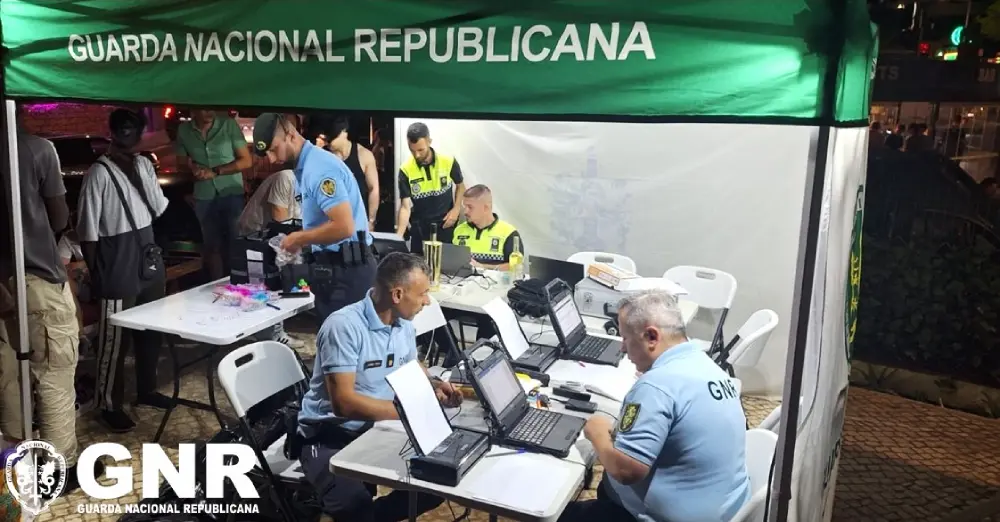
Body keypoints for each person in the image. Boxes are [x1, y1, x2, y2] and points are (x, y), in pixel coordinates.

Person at [559, 290, 751, 522]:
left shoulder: (656, 387)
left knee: (562, 514)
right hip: (725, 508)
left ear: (651, 336)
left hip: (666, 517)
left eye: (626, 338)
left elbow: (627, 471)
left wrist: (596, 432)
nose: (622, 347)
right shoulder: (707, 366)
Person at [297, 253, 457, 521]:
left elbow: (410, 367)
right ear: (397, 295)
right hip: (328, 437)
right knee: (355, 507)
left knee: (440, 478)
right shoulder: (343, 327)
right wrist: (409, 412)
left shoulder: (402, 324)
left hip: (376, 429)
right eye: (422, 294)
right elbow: (344, 404)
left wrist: (435, 386)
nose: (427, 302)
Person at [0, 122, 105, 491]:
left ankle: (16, 461)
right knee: (54, 374)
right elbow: (60, 218)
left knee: (9, 376)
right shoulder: (35, 148)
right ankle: (60, 471)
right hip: (35, 279)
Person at [77, 109, 173, 433]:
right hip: (116, 259)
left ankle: (147, 389)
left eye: (134, 129)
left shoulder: (145, 164)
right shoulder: (98, 173)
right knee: (114, 340)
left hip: (147, 252)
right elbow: (88, 232)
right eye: (123, 129)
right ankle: (109, 404)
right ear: (113, 132)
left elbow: (159, 208)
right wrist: (98, 274)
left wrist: (140, 172)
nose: (128, 134)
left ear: (141, 132)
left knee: (150, 330)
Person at [252, 113, 374, 321]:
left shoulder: (318, 169)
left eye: (274, 149)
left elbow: (344, 227)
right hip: (336, 269)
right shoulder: (308, 167)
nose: (272, 159)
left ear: (290, 135)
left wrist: (298, 238)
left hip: (347, 272)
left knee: (343, 349)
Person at [175, 109, 253, 279]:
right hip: (203, 194)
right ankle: (216, 287)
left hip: (231, 191)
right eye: (203, 108)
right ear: (193, 110)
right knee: (211, 246)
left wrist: (217, 171)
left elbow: (246, 160)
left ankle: (239, 284)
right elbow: (180, 164)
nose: (210, 112)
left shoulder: (228, 125)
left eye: (212, 108)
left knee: (235, 242)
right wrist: (193, 169)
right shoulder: (184, 130)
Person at [236, 157, 305, 349]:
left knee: (274, 282)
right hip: (256, 235)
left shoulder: (309, 184)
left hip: (271, 235)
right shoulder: (286, 177)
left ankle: (271, 332)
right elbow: (279, 221)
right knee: (267, 283)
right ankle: (272, 335)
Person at [395, 122, 465, 252]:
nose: (417, 155)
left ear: (429, 142)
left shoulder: (448, 161)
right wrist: (398, 237)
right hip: (420, 228)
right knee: (418, 268)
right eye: (412, 150)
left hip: (445, 225)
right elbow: (405, 207)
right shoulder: (405, 169)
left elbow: (461, 186)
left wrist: (456, 209)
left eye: (420, 150)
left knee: (446, 267)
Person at [326, 116, 379, 229]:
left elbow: (373, 189)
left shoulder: (364, 155)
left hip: (357, 221)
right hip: (330, 222)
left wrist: (371, 220)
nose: (328, 141)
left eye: (332, 137)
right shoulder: (325, 156)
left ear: (344, 132)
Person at [453, 185, 522, 271]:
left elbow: (516, 267)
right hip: (460, 282)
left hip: (496, 283)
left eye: (470, 207)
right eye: (464, 206)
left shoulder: (508, 233)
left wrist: (482, 267)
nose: (465, 211)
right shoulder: (459, 230)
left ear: (486, 208)